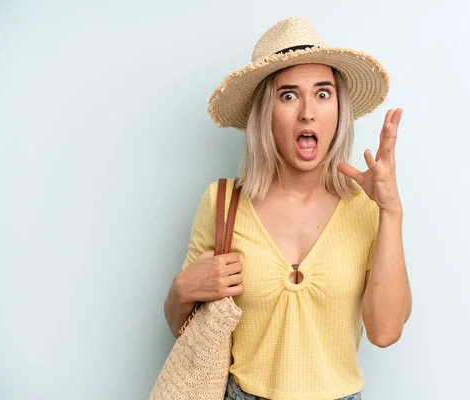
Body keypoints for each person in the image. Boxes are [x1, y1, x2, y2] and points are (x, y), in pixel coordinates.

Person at [163, 17, 412, 400]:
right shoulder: (223, 202)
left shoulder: (366, 208)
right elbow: (183, 328)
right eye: (289, 95)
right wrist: (181, 290)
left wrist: (391, 211)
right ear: (266, 112)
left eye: (323, 93)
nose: (308, 112)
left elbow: (384, 332)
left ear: (339, 110)